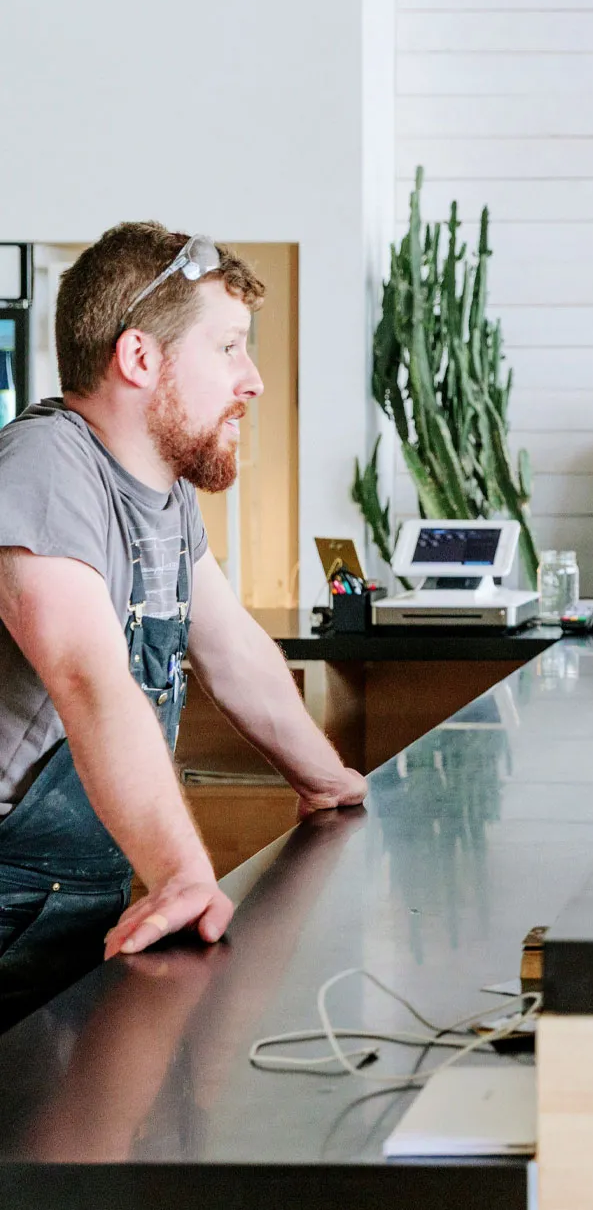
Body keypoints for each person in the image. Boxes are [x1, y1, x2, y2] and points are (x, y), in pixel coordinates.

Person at [0, 224, 367, 1030]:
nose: (254, 380)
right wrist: (181, 874)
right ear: (139, 358)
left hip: (70, 898)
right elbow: (89, 681)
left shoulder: (163, 494)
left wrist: (328, 781)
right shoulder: (47, 465)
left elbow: (233, 651)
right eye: (229, 347)